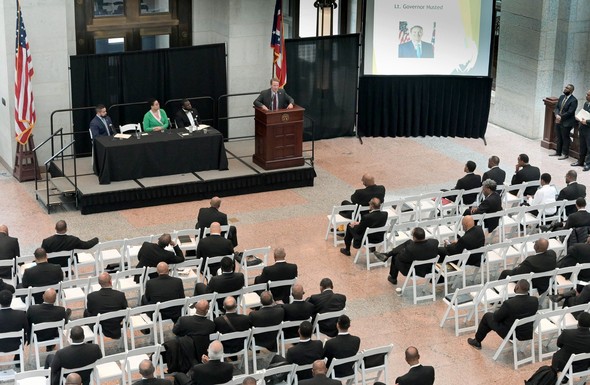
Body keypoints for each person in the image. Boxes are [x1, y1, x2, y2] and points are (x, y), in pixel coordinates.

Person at [467, 279, 538, 349]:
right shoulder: (535, 300)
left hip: (511, 333)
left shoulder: (509, 303)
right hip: (525, 332)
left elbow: (496, 318)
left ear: (517, 287)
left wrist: (499, 311)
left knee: (487, 316)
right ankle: (477, 340)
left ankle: (477, 341)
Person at [374, 227, 438, 285]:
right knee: (409, 242)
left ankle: (393, 278)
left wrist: (403, 251)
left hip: (415, 270)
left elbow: (401, 258)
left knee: (395, 256)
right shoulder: (434, 242)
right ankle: (387, 254)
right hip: (429, 268)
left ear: (414, 237)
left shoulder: (411, 249)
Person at [84, 272, 128, 339]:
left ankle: (89, 337)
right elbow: (125, 309)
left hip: (99, 325)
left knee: (86, 312)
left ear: (99, 283)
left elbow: (91, 311)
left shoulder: (91, 296)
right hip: (116, 325)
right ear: (110, 282)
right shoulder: (120, 295)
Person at [0, 290, 28, 365]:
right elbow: (26, 330)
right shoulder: (21, 314)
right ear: (11, 300)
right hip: (17, 344)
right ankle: (18, 358)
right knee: (23, 335)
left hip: (1, 346)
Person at [551, 84, 578, 160]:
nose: (565, 89)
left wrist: (560, 116)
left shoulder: (574, 100)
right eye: (565, 87)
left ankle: (565, 154)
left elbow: (570, 112)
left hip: (567, 122)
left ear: (571, 91)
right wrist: (556, 115)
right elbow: (557, 107)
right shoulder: (561, 97)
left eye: (567, 88)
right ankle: (558, 152)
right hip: (558, 120)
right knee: (559, 137)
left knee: (565, 138)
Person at [573, 90, 590, 170]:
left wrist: (586, 121)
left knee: (589, 147)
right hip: (582, 128)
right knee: (582, 146)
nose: (586, 96)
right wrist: (579, 117)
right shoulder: (586, 104)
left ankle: (588, 164)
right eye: (587, 94)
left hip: (589, 129)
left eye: (588, 95)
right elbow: (583, 113)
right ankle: (580, 161)